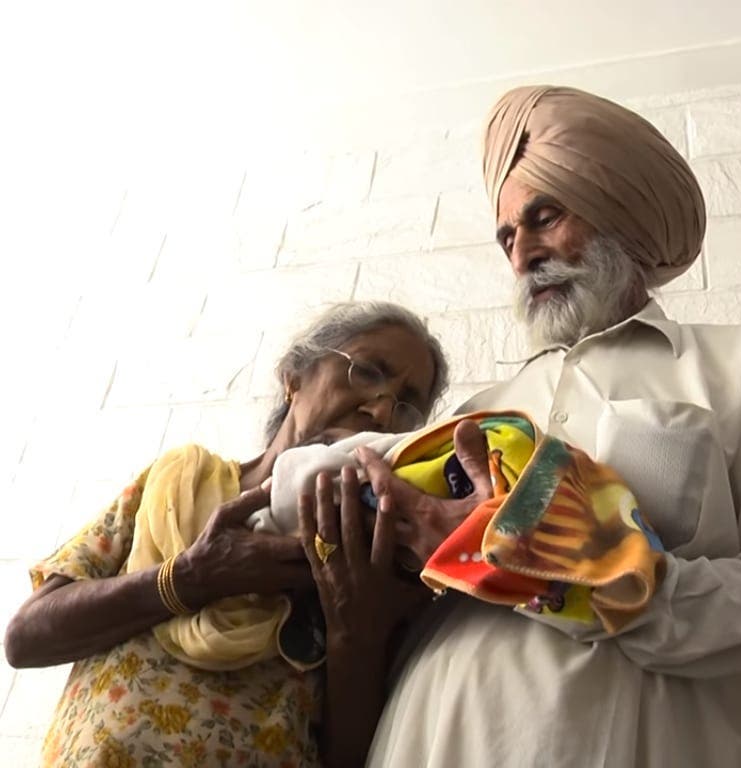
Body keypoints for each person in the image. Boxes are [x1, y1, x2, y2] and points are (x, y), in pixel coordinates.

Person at [356, 86, 741, 768]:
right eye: (507, 235)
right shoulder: (483, 408)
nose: (521, 254)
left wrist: (587, 579)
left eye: (544, 217)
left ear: (617, 214)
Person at [4, 300, 450, 768]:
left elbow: (355, 758)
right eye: (367, 372)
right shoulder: (178, 482)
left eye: (407, 406)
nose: (381, 412)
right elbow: (27, 637)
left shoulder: (379, 554)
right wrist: (191, 577)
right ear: (294, 377)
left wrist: (354, 633)